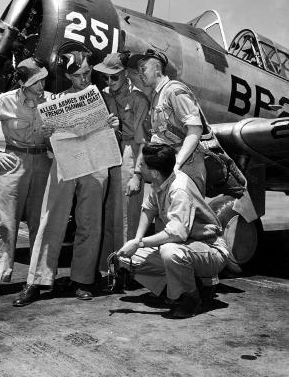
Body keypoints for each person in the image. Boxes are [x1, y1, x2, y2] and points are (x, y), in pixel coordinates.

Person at [13, 43, 119, 306]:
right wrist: (48, 135)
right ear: (68, 76)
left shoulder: (103, 99)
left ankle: (82, 280)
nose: (83, 79)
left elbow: (111, 137)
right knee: (51, 220)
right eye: (77, 75)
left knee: (90, 222)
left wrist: (113, 127)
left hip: (95, 166)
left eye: (86, 74)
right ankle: (36, 281)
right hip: (65, 164)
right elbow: (49, 143)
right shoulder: (56, 101)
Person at [0, 57, 52, 302]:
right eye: (36, 82)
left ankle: (36, 280)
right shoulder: (5, 101)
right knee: (5, 222)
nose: (41, 85)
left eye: (43, 79)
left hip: (44, 163)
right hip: (14, 162)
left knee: (41, 224)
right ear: (24, 83)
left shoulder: (52, 99)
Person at [117, 143, 229, 318]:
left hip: (209, 248)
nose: (139, 168)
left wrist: (139, 243)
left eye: (142, 166)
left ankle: (190, 298)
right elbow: (149, 208)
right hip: (186, 245)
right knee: (125, 258)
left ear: (154, 172)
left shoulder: (179, 190)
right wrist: (136, 240)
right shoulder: (161, 179)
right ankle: (184, 286)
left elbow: (176, 234)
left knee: (171, 252)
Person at [93, 53, 150, 267]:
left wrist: (137, 174)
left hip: (130, 154)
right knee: (109, 214)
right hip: (108, 155)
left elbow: (143, 141)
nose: (109, 83)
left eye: (114, 77)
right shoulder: (105, 95)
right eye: (105, 78)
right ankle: (107, 266)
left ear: (125, 74)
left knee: (128, 216)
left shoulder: (138, 99)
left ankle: (126, 268)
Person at [137, 48, 206, 195]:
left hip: (186, 165)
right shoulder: (156, 96)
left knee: (184, 215)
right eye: (138, 70)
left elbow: (195, 129)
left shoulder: (173, 90)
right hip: (169, 167)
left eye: (143, 68)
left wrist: (177, 164)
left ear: (157, 68)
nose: (140, 73)